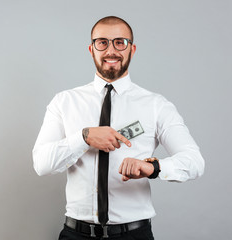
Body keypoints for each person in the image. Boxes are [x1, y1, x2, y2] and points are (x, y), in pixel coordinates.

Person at [33, 16, 205, 240]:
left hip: (133, 235)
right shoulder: (64, 102)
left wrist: (153, 168)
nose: (111, 50)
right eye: (102, 42)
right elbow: (42, 164)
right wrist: (83, 137)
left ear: (132, 49)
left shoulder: (156, 105)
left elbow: (194, 162)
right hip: (76, 234)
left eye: (120, 42)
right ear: (91, 49)